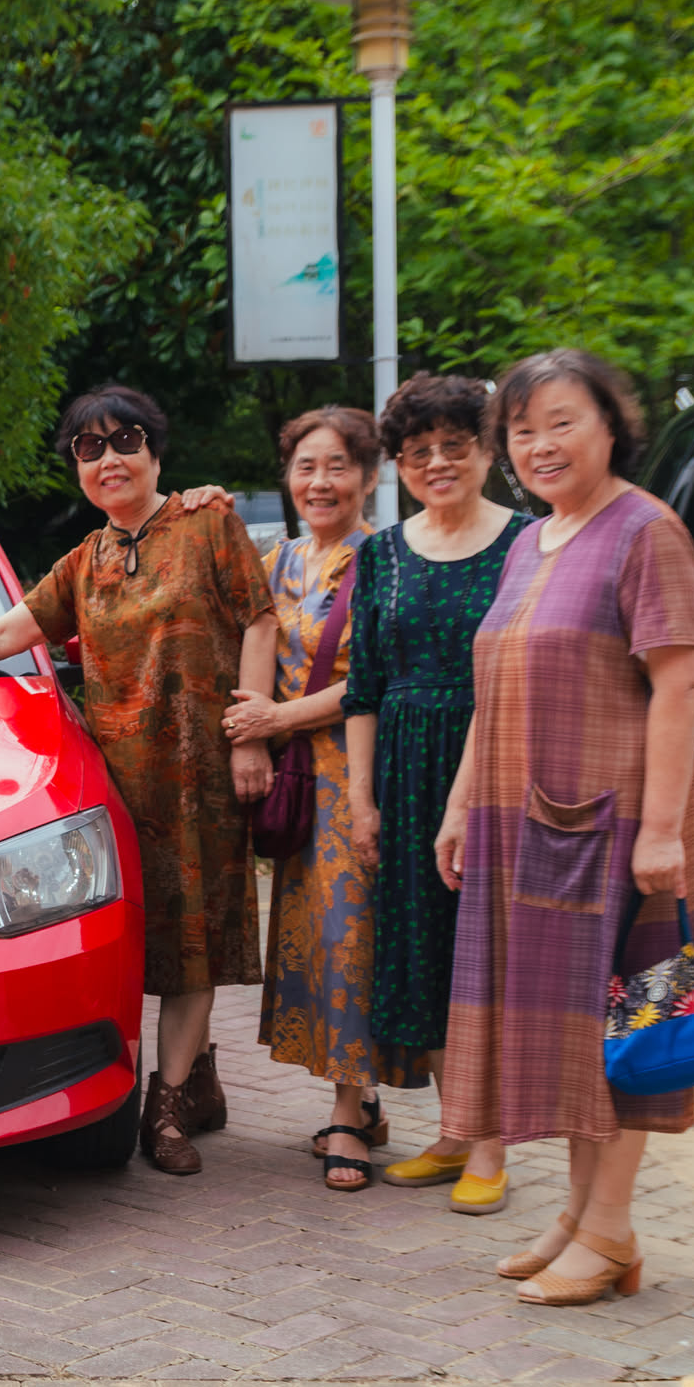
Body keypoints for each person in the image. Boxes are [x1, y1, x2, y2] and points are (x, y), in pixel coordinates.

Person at [0, 385, 278, 1176]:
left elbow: (259, 618)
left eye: (126, 441)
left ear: (155, 452)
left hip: (201, 777)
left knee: (193, 942)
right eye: (90, 448)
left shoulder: (209, 524)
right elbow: (9, 629)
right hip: (121, 782)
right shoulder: (84, 562)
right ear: (78, 469)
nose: (109, 458)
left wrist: (250, 731)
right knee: (142, 937)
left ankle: (166, 1105)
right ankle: (200, 1081)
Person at [434, 349, 694, 1306]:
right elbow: (494, 685)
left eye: (562, 421)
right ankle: (579, 1215)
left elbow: (681, 683)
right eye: (523, 430)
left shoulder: (646, 530)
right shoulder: (533, 541)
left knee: (623, 1029)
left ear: (610, 427)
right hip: (524, 823)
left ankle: (611, 1228)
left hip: (615, 825)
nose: (541, 444)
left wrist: (662, 833)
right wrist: (462, 803)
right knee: (566, 1033)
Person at [345, 375, 531, 1210]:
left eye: (456, 446)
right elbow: (363, 688)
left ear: (487, 451)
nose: (437, 463)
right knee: (422, 954)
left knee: (483, 954)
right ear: (398, 465)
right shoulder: (382, 553)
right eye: (418, 451)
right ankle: (455, 1132)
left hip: (494, 765)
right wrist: (363, 800)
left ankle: (491, 1144)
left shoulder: (524, 542)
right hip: (404, 771)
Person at [231, 406, 425, 1192]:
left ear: (370, 477)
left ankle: (348, 1110)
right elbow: (252, 646)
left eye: (338, 466)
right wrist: (253, 735)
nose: (320, 482)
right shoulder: (276, 562)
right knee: (313, 940)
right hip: (296, 782)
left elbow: (372, 679)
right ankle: (363, 1098)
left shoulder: (385, 561)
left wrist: (275, 721)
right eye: (306, 466)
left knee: (351, 940)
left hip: (357, 775)